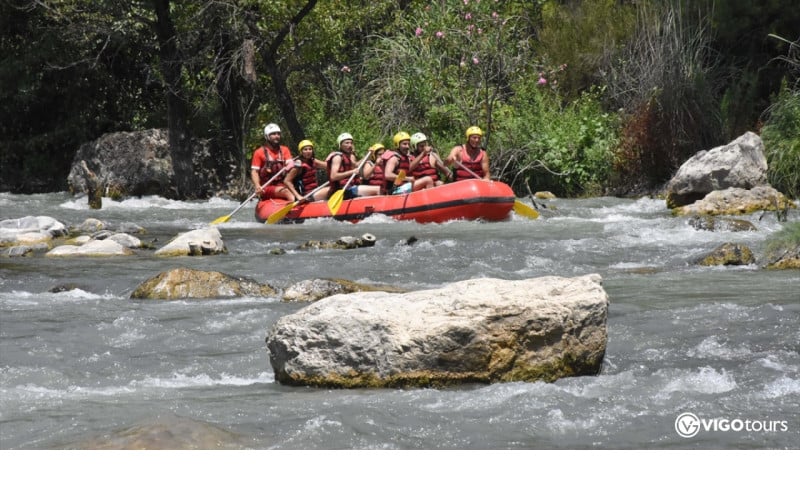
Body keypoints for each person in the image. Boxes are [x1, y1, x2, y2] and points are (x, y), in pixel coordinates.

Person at [326, 133, 381, 199]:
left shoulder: (347, 157)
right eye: (347, 143)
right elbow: (333, 176)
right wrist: (351, 172)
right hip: (343, 189)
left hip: (351, 187)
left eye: (351, 143)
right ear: (340, 145)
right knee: (378, 189)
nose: (350, 145)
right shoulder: (337, 157)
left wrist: (368, 155)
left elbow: (356, 165)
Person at [250, 123, 295, 201]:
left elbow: (290, 165)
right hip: (266, 187)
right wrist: (257, 186)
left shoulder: (285, 150)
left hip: (283, 184)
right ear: (267, 136)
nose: (277, 136)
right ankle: (292, 210)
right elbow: (254, 172)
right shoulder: (259, 152)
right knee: (286, 191)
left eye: (278, 134)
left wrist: (292, 164)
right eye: (273, 134)